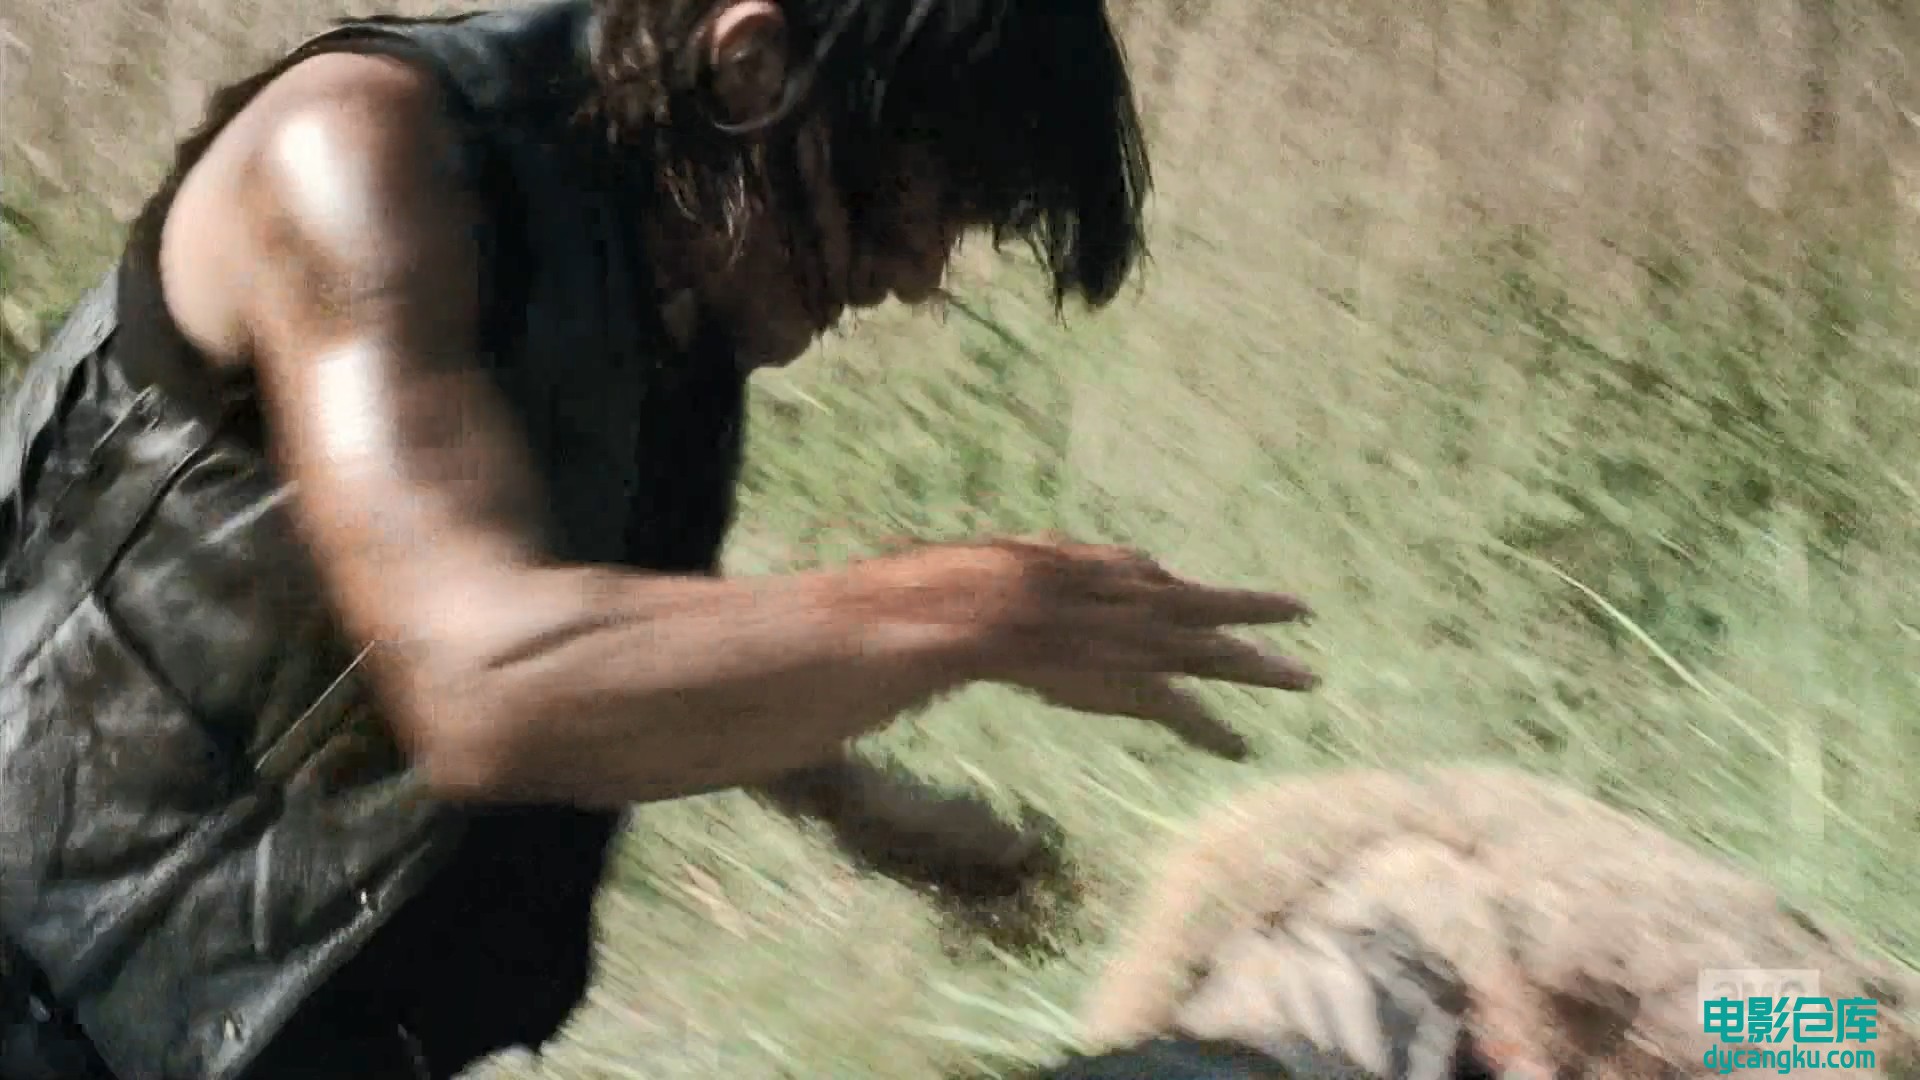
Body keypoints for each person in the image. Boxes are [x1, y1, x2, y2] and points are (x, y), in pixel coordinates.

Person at [0, 0, 1322, 1077]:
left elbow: (604, 612)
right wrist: (973, 607)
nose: (922, 275)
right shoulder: (358, 151)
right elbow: (481, 675)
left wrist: (869, 809)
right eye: (920, 197)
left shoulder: (676, 245)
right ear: (752, 60)